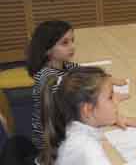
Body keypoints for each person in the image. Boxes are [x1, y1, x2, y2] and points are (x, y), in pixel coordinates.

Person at [26, 20, 127, 150]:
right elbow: (73, 115)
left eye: (72, 40)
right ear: (47, 50)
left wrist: (111, 81)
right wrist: (114, 116)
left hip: (64, 131)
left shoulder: (66, 65)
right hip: (53, 144)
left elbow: (88, 75)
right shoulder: (50, 79)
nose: (72, 46)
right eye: (65, 43)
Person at [39, 66, 136, 165]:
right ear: (88, 110)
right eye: (110, 97)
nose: (116, 100)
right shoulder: (86, 146)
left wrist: (117, 118)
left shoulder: (73, 123)